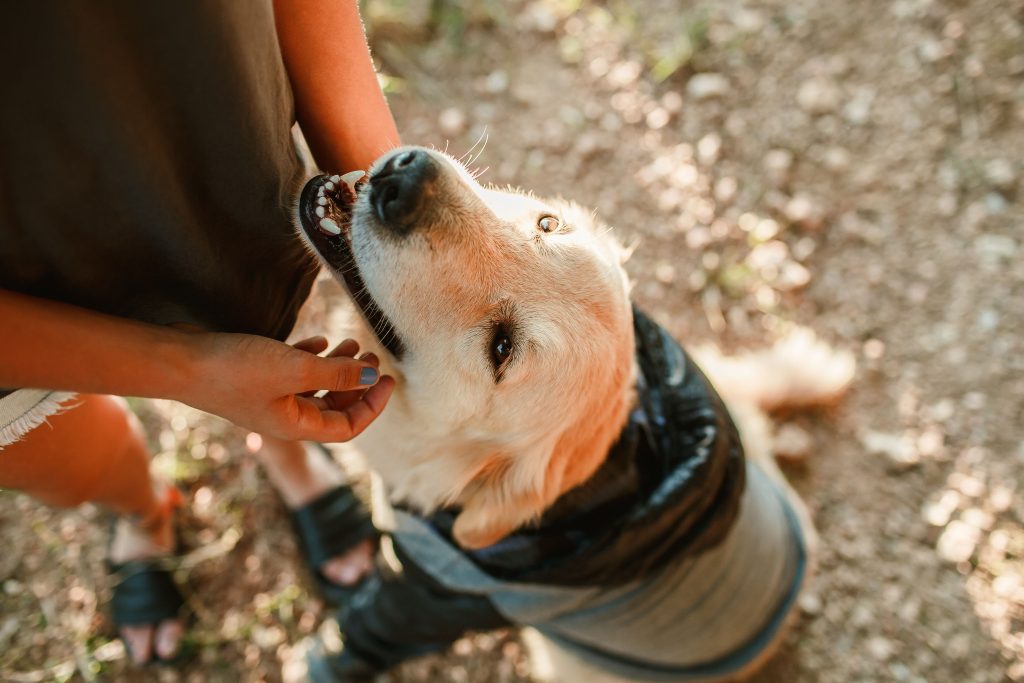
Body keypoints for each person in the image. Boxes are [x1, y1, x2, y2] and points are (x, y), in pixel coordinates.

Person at [0, 1, 398, 666]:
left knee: (263, 324)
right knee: (66, 468)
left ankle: (286, 451)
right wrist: (186, 368)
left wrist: (387, 207)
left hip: (181, 121)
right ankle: (142, 508)